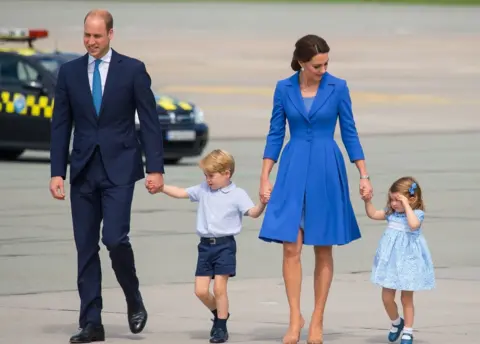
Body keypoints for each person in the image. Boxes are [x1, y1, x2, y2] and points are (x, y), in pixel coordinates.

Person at [49, 9, 165, 343]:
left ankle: (133, 296)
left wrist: (154, 167)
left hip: (120, 168)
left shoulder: (132, 70)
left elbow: (150, 121)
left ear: (111, 35)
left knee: (114, 238)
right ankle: (92, 322)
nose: (91, 42)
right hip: (83, 170)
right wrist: (58, 172)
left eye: (97, 36)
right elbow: (60, 127)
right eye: (86, 35)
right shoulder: (69, 73)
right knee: (85, 247)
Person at [258, 34, 373, 344]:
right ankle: (295, 317)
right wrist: (265, 176)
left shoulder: (339, 87)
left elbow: (349, 131)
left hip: (326, 164)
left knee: (323, 246)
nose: (323, 70)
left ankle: (317, 318)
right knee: (290, 246)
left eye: (326, 64)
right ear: (300, 62)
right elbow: (274, 134)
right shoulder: (283, 88)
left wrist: (363, 174)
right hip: (293, 165)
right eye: (316, 65)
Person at [156, 149, 267, 343]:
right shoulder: (203, 189)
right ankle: (219, 313)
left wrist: (263, 203)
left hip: (225, 246)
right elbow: (182, 192)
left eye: (211, 176)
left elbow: (254, 212)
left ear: (227, 174)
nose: (207, 180)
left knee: (219, 289)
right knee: (200, 290)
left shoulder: (237, 194)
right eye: (205, 175)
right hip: (205, 246)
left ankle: (221, 328)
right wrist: (162, 187)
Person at [362, 176, 435, 344]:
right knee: (387, 297)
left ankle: (408, 330)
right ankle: (396, 322)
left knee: (406, 298)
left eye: (398, 200)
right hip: (391, 263)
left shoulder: (417, 214)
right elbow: (373, 214)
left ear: (411, 199)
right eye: (391, 199)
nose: (393, 204)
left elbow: (414, 225)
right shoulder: (391, 214)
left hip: (408, 262)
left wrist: (407, 206)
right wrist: (367, 201)